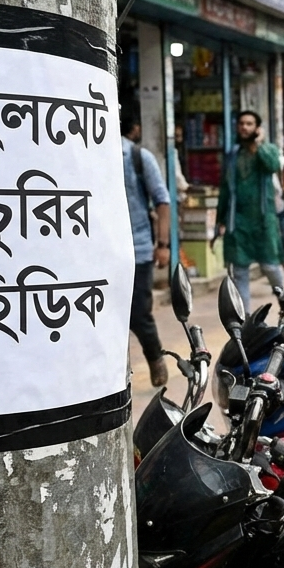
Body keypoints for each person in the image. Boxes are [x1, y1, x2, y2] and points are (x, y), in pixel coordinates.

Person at [216, 110, 284, 312]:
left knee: (271, 267)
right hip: (237, 222)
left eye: (249, 124)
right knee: (239, 272)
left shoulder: (268, 150)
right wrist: (221, 220)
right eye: (242, 124)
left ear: (257, 128)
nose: (245, 127)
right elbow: (225, 189)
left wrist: (259, 144)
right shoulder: (232, 155)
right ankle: (245, 323)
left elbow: (272, 166)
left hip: (264, 220)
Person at [121, 112, 172, 388]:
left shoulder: (139, 158)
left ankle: (155, 358)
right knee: (125, 313)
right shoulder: (91, 154)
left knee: (138, 313)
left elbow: (161, 201)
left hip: (138, 247)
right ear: (135, 128)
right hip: (112, 251)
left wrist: (162, 245)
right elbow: (163, 202)